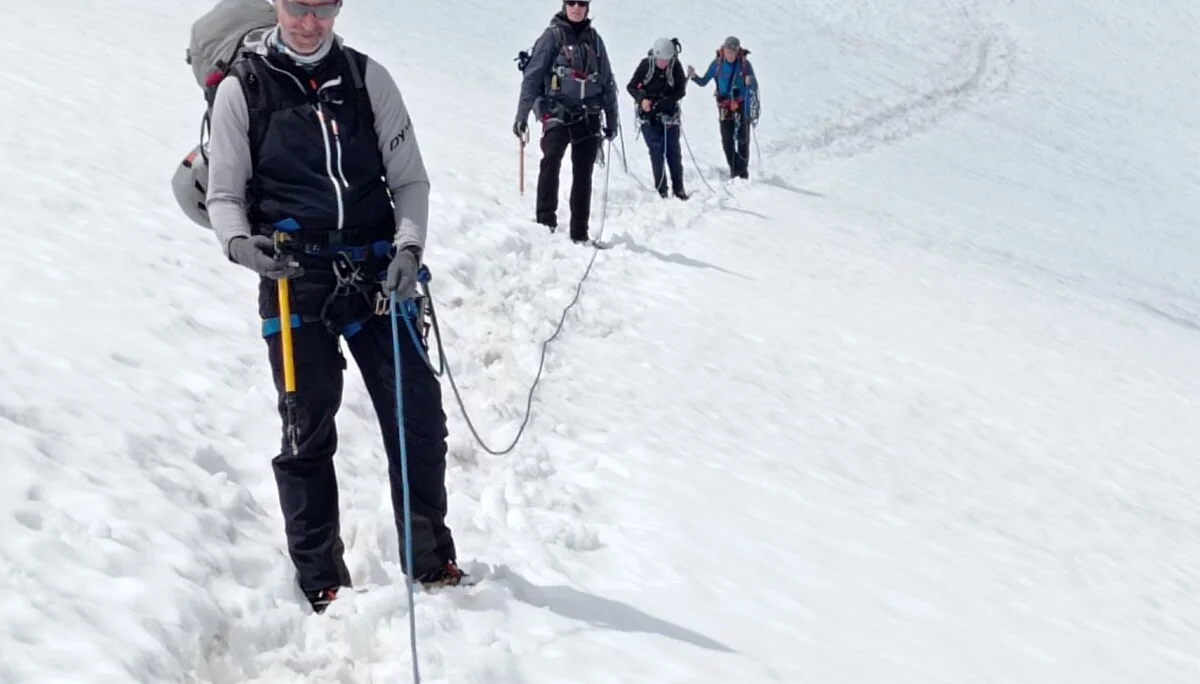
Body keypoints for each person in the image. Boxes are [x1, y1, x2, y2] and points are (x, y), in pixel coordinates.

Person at [204, 0, 462, 613]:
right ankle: (322, 581)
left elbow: (409, 180)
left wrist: (408, 247)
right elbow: (223, 195)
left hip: (378, 271)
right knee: (306, 427)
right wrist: (242, 247)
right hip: (294, 275)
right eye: (298, 6)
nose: (310, 21)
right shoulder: (244, 90)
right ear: (276, 4)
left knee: (418, 416)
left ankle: (429, 560)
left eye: (323, 7)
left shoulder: (369, 79)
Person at [513, 0, 620, 245]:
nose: (576, 7)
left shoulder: (595, 41)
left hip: (588, 114)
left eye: (581, 3)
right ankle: (544, 222)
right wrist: (522, 116)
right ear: (564, 5)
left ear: (587, 7)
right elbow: (532, 78)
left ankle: (579, 232)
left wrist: (611, 119)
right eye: (571, 2)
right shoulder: (552, 37)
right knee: (551, 161)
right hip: (557, 111)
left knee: (584, 172)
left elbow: (607, 82)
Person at [687, 36, 759, 179]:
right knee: (727, 138)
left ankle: (742, 172)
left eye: (733, 52)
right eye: (728, 51)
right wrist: (693, 76)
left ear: (738, 51)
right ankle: (735, 169)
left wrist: (749, 83)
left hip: (741, 104)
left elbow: (754, 86)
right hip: (724, 105)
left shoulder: (744, 65)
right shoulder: (717, 64)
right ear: (724, 50)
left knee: (743, 138)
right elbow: (703, 81)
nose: (730, 54)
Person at [627, 37, 689, 200]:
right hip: (649, 117)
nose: (664, 63)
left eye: (667, 60)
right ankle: (662, 190)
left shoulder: (675, 66)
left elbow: (681, 90)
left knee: (673, 152)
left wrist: (665, 102)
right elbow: (631, 86)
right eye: (661, 60)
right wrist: (642, 100)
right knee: (656, 151)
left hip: (669, 114)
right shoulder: (646, 65)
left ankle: (679, 189)